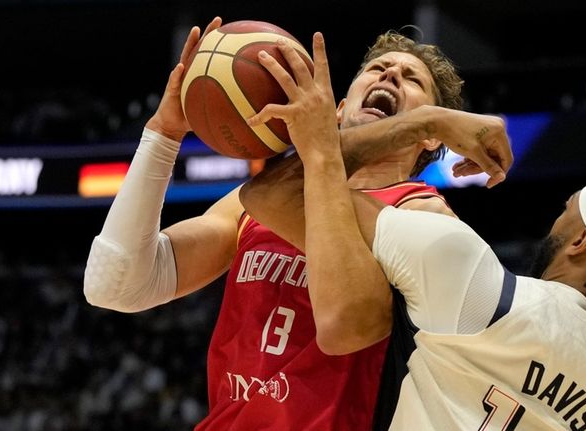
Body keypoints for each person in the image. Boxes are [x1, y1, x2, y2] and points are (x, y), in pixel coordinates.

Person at [239, 31, 586, 430]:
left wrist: (422, 121)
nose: (557, 217)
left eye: (566, 209)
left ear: (580, 240)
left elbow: (274, 194)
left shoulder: (474, 282)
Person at [83, 17, 511, 431]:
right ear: (338, 111)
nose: (390, 76)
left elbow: (349, 326)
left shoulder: (422, 215)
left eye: (411, 79)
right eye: (378, 69)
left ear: (433, 138)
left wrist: (415, 122)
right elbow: (119, 284)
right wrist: (163, 134)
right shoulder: (257, 201)